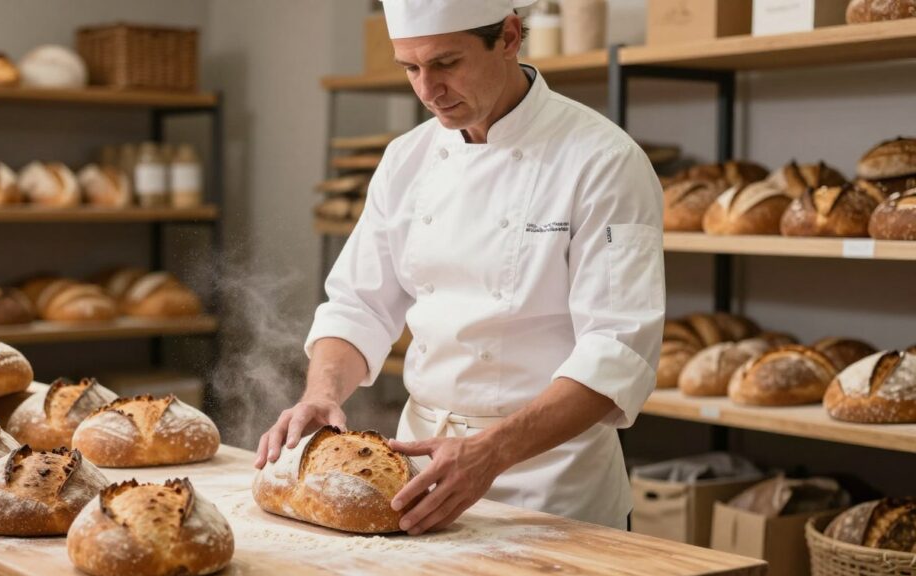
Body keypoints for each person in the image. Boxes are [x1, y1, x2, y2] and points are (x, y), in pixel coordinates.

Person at [255, 0, 665, 536]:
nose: (428, 89)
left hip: (553, 488)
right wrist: (323, 393)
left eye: (447, 63)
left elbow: (617, 350)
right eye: (411, 68)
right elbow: (359, 304)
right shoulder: (407, 159)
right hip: (418, 477)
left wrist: (490, 453)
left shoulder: (604, 161)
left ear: (510, 37)